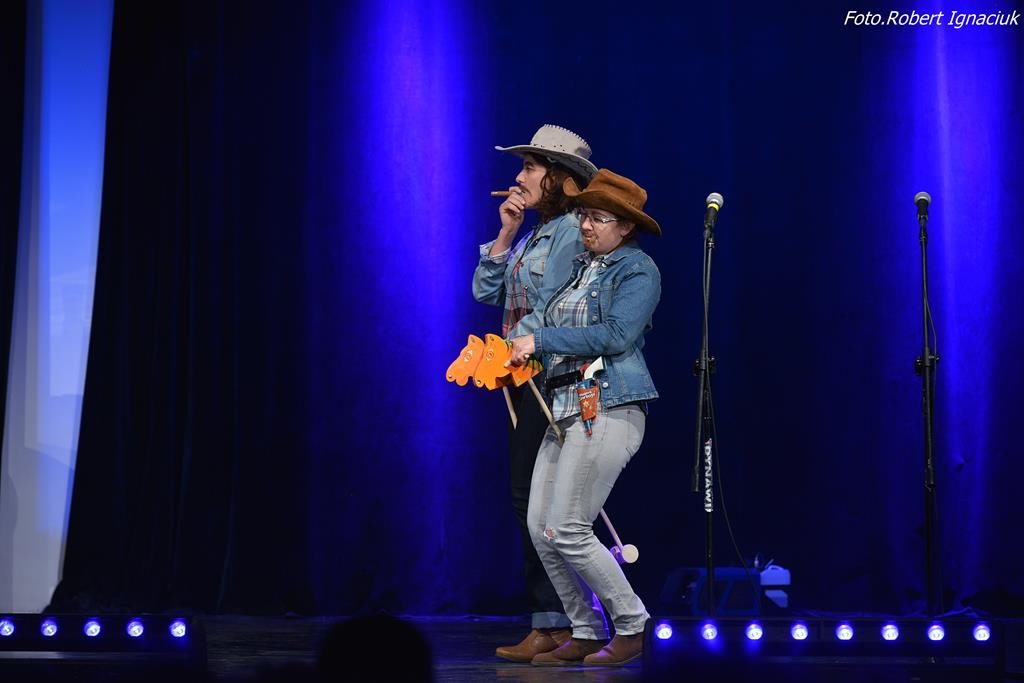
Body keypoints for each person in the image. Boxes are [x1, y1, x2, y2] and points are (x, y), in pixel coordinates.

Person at [506, 168, 662, 667]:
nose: (587, 226)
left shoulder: (637, 271)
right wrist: (509, 349)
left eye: (598, 218)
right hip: (565, 407)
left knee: (570, 526)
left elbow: (616, 335)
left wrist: (540, 341)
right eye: (585, 216)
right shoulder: (580, 268)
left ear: (626, 227)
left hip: (609, 406)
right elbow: (544, 320)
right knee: (541, 527)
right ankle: (586, 629)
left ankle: (632, 624)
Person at [472, 124, 597, 662]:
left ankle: (565, 621)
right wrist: (506, 234)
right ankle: (553, 621)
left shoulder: (571, 231)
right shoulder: (536, 232)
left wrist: (511, 348)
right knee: (529, 498)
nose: (518, 177)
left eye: (529, 167)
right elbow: (485, 291)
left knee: (540, 500)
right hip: (523, 376)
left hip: (553, 377)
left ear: (560, 178)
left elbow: (555, 309)